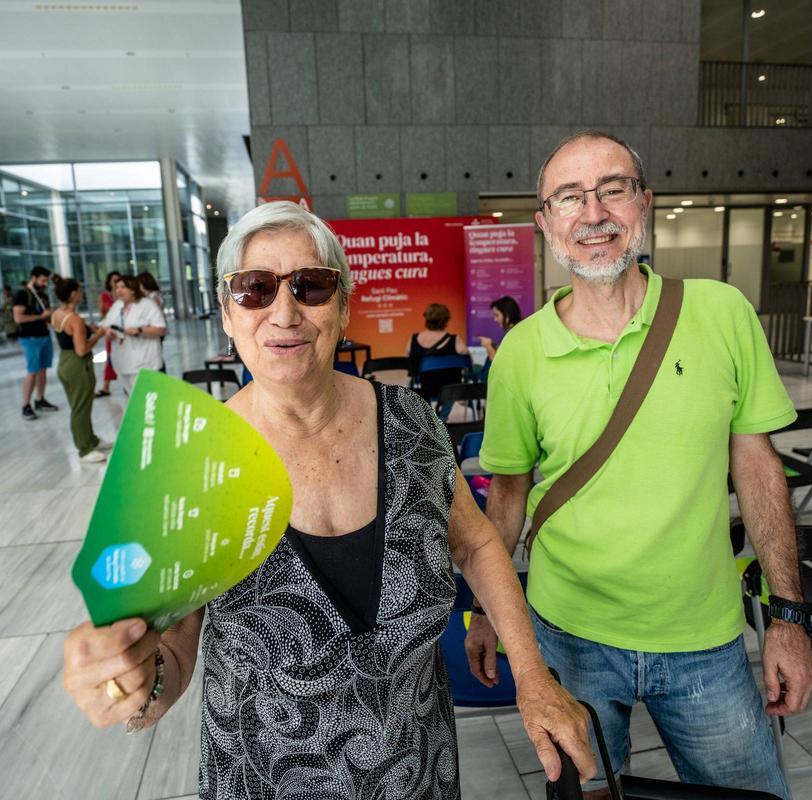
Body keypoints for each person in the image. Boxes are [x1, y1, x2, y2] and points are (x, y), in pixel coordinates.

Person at [62, 201, 595, 799]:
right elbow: (175, 651)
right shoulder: (192, 464)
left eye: (312, 286)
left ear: (343, 307)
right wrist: (134, 686)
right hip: (264, 779)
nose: (284, 312)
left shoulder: (408, 419)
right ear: (227, 313)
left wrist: (531, 676)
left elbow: (473, 541)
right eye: (255, 289)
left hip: (418, 770)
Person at [465, 131, 812, 800]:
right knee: (590, 795)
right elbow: (506, 497)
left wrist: (789, 619)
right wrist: (486, 612)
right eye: (569, 197)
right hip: (569, 638)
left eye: (612, 189)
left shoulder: (722, 313)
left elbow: (759, 470)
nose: (591, 214)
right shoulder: (520, 355)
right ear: (545, 223)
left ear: (644, 203)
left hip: (704, 638)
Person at [50, 277, 111, 463]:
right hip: (78, 364)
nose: (82, 294)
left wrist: (88, 329)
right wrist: (98, 335)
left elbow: (68, 337)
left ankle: (90, 439)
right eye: (80, 291)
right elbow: (82, 349)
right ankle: (84, 449)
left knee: (80, 405)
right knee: (80, 408)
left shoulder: (57, 314)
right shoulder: (74, 319)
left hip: (65, 362)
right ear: (73, 294)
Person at [100, 274, 166, 395]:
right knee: (132, 397)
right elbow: (106, 324)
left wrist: (140, 330)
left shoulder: (147, 305)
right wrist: (108, 332)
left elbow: (161, 329)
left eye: (123, 287)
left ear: (133, 289)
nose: (118, 290)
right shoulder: (117, 305)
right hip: (122, 360)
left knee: (145, 399)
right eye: (117, 287)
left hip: (145, 361)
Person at [13, 265, 60, 421]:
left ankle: (40, 399)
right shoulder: (21, 294)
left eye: (46, 281)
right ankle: (25, 405)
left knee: (43, 370)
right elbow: (18, 318)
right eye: (42, 280)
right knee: (32, 371)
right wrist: (41, 317)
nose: (45, 283)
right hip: (30, 338)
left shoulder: (42, 295)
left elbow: (45, 315)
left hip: (44, 336)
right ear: (33, 278)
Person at [96, 271, 121, 398]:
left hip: (123, 330)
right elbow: (102, 313)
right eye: (113, 280)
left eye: (118, 280)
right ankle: (106, 387)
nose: (116, 283)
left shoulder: (123, 295)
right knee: (110, 357)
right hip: (110, 331)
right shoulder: (104, 296)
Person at [476, 295, 522, 361]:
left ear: (507, 315)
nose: (495, 319)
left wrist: (488, 345)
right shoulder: (519, 329)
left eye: (497, 315)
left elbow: (497, 363)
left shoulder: (511, 334)